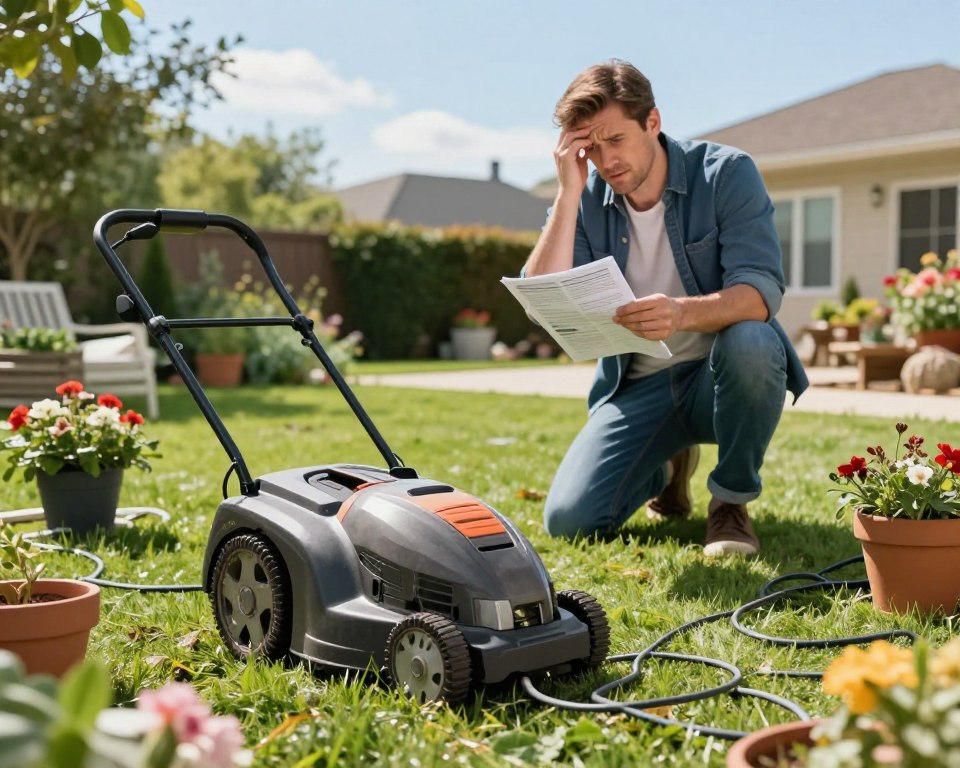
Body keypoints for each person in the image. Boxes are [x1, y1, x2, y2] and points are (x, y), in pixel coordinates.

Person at [524, 60, 808, 556]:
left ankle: (729, 504)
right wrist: (569, 191)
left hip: (717, 377)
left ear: (652, 122)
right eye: (591, 147)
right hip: (639, 385)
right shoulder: (587, 196)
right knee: (570, 522)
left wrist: (679, 314)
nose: (606, 160)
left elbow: (761, 293)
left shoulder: (726, 174)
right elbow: (542, 298)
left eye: (615, 140)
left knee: (753, 340)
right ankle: (669, 467)